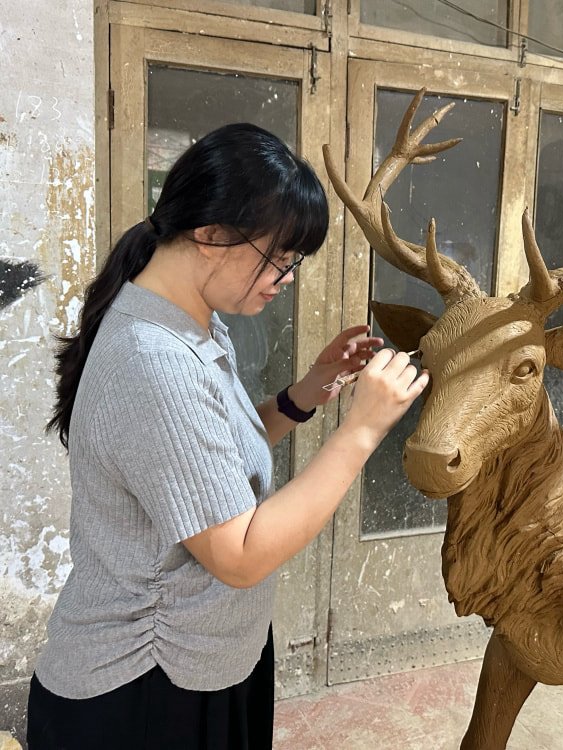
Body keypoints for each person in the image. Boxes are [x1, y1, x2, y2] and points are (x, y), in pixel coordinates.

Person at [26, 122, 428, 749]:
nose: (288, 276)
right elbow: (238, 554)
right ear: (210, 234)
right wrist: (363, 428)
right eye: (280, 257)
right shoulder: (152, 360)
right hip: (144, 689)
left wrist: (306, 392)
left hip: (203, 660)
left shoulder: (195, 325)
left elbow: (213, 460)